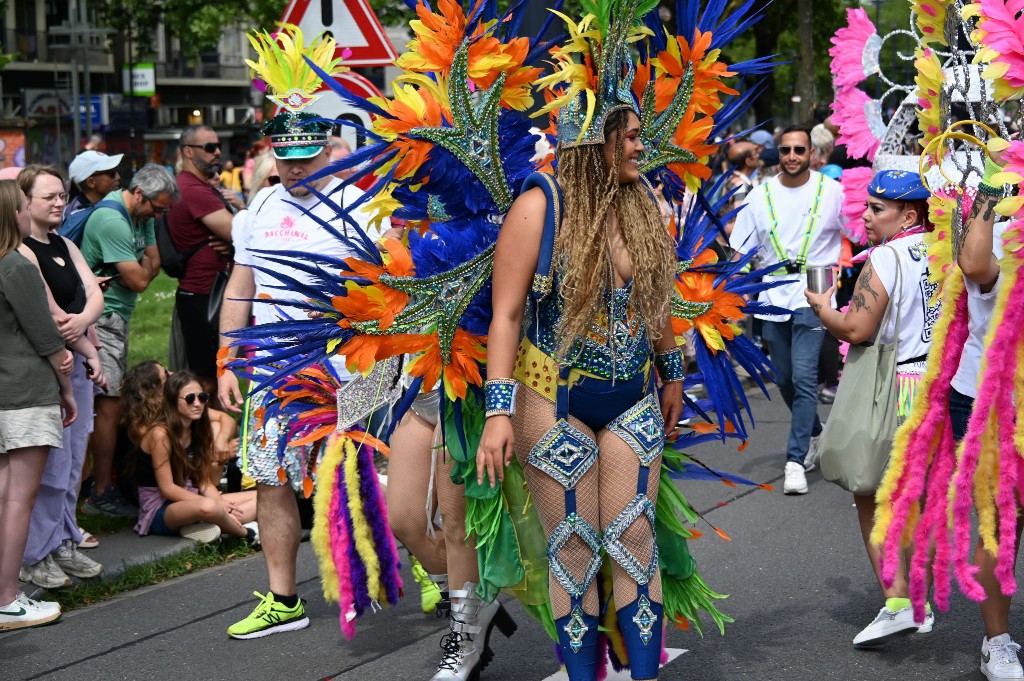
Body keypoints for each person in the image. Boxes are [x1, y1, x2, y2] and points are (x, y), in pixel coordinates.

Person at [478, 105, 684, 680]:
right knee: (573, 549)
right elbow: (508, 314)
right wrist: (499, 413)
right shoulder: (539, 206)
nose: (643, 148)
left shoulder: (642, 201)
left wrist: (672, 371)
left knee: (635, 537)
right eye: (633, 137)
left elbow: (656, 295)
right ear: (600, 141)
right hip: (552, 399)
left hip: (635, 397)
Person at [217, 80, 387, 639]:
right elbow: (241, 285)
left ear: (328, 150)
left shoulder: (361, 206)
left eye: (305, 158)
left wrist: (381, 365)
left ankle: (403, 567)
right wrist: (226, 360)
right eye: (285, 158)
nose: (293, 169)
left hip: (343, 368)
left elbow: (390, 289)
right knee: (270, 480)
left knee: (354, 477)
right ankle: (284, 599)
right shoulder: (259, 206)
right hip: (271, 371)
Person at [804, 170, 938, 647]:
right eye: (867, 206)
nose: (866, 215)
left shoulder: (886, 257)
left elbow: (857, 329)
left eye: (877, 209)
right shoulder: (946, 252)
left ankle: (898, 602)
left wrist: (821, 307)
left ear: (910, 214)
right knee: (916, 496)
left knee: (871, 493)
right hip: (940, 386)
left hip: (898, 387)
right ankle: (916, 601)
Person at [729, 124, 845, 495]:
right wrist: (727, 293)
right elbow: (741, 251)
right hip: (772, 292)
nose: (792, 156)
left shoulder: (834, 192)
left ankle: (795, 460)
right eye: (786, 150)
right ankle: (813, 432)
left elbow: (862, 230)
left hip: (816, 288)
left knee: (806, 376)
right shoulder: (759, 196)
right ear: (777, 154)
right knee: (783, 378)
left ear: (812, 153)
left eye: (799, 150)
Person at [15, 165, 107, 589]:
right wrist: (76, 334)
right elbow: (49, 312)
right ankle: (37, 551)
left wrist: (83, 322)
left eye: (60, 196)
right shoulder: (23, 250)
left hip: (77, 360)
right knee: (49, 467)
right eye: (49, 196)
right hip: (52, 366)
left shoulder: (66, 243)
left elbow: (95, 295)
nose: (58, 202)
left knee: (72, 462)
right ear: (25, 201)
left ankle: (65, 537)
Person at [80, 163, 178, 517]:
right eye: (157, 208)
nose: (159, 216)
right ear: (139, 194)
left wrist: (138, 269)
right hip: (100, 319)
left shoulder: (143, 214)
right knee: (109, 405)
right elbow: (138, 281)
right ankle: (100, 492)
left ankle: (93, 482)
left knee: (109, 404)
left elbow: (154, 263)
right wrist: (137, 271)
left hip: (118, 316)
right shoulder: (113, 220)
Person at [0, 178, 76, 630]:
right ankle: (7, 597)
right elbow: (44, 333)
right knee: (18, 500)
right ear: (15, 214)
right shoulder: (15, 264)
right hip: (26, 392)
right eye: (25, 206)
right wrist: (66, 384)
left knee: (4, 494)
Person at [133, 370, 256, 544]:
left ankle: (210, 526)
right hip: (160, 509)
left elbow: (204, 482)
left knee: (261, 498)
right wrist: (218, 506)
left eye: (202, 397)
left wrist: (221, 504)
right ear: (172, 401)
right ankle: (246, 534)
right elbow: (167, 488)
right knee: (209, 506)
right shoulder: (160, 434)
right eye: (190, 398)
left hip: (192, 497)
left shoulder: (197, 429)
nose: (198, 404)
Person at [167, 125, 240, 392]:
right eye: (209, 148)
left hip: (203, 291)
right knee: (209, 377)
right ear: (188, 151)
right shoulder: (194, 190)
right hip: (204, 294)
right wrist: (240, 221)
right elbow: (238, 232)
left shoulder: (197, 186)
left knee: (211, 372)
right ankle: (212, 431)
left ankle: (216, 430)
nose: (217, 152)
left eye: (218, 146)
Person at [65, 150, 123, 217]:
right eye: (111, 173)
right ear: (91, 182)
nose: (118, 177)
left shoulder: (106, 205)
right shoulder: (78, 217)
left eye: (117, 170)